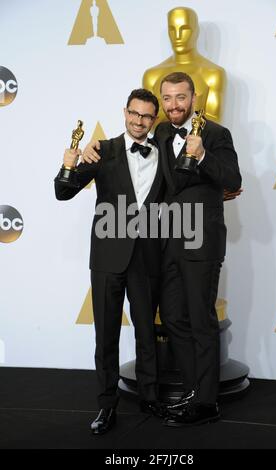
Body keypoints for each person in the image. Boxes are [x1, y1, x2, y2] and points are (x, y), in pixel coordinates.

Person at [82, 72, 242, 427]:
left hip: (200, 241)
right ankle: (193, 388)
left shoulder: (217, 134)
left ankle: (206, 403)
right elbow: (141, 168)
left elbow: (233, 179)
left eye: (180, 98)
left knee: (201, 320)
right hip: (166, 242)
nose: (173, 105)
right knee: (171, 317)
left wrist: (202, 158)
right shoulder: (162, 133)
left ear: (194, 98)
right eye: (167, 99)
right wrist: (93, 148)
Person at [54, 89, 167, 436]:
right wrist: (68, 164)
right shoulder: (102, 150)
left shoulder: (164, 154)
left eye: (147, 116)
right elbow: (64, 192)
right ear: (125, 112)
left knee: (147, 331)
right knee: (106, 334)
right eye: (134, 114)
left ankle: (150, 396)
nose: (139, 121)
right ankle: (106, 405)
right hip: (107, 257)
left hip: (147, 256)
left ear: (154, 120)